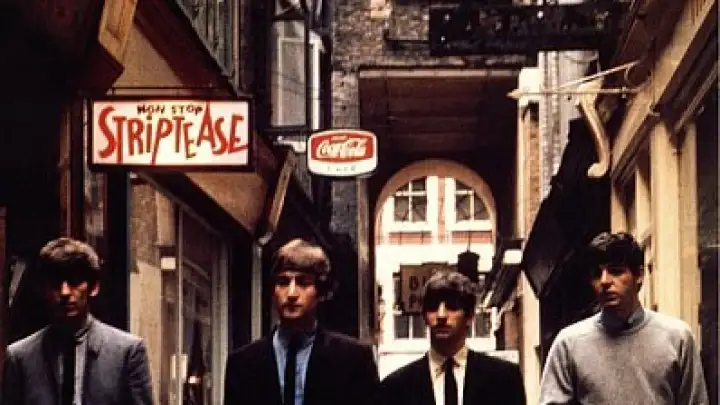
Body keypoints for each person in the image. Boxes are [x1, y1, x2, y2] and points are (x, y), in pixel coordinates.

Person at [539, 232, 709, 405]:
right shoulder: (569, 344)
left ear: (639, 276)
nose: (605, 281)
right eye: (597, 274)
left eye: (616, 271)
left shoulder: (677, 338)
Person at [223, 238, 379, 405]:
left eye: (303, 283)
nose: (291, 293)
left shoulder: (353, 360)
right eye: (283, 282)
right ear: (273, 291)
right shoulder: (242, 364)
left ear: (320, 291)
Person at [1, 237, 153, 405]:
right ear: (45, 290)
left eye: (74, 281)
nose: (65, 292)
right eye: (56, 283)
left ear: (93, 288)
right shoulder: (20, 358)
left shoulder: (127, 353)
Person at [379, 271, 526, 405]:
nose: (441, 315)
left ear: (470, 316)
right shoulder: (395, 387)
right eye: (433, 307)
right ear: (424, 317)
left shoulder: (504, 378)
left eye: (452, 306)